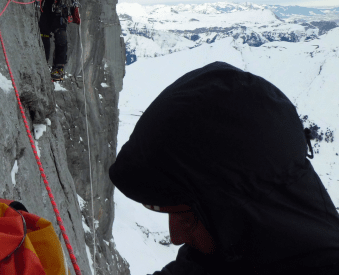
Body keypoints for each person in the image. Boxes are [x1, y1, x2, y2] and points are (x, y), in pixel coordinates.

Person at [109, 62, 339, 275]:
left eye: (186, 216)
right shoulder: (225, 249)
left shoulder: (226, 240)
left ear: (235, 208)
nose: (175, 237)